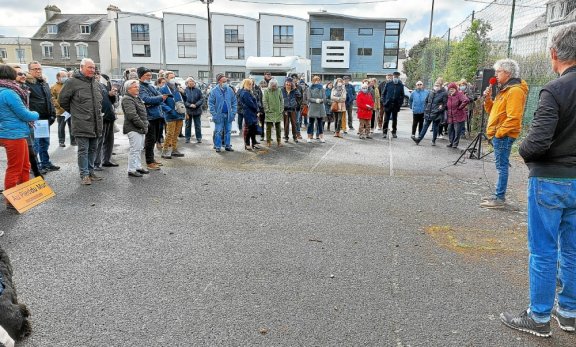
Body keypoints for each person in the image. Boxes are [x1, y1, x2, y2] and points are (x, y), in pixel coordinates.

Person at [500, 24, 576, 338]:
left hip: (550, 180)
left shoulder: (555, 90)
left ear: (554, 53)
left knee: (543, 250)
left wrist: (525, 152)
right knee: (572, 250)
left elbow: (536, 142)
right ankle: (569, 311)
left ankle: (539, 316)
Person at [480, 58, 528, 208]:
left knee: (502, 167)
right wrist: (487, 99)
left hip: (504, 135)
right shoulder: (505, 89)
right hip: (500, 134)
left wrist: (499, 133)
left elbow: (514, 118)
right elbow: (492, 110)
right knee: (501, 166)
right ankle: (498, 195)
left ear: (507, 73)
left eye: (498, 71)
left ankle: (499, 199)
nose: (495, 74)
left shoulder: (514, 91)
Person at [58, 58, 104, 185]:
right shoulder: (72, 82)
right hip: (81, 122)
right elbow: (62, 100)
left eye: (93, 68)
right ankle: (84, 174)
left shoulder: (94, 82)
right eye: (89, 67)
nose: (92, 70)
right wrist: (76, 112)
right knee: (83, 150)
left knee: (93, 149)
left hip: (96, 123)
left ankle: (90, 171)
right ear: (81, 67)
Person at [0, 65, 40, 210]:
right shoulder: (9, 93)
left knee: (25, 165)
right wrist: (36, 114)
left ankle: (24, 194)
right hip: (13, 134)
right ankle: (11, 201)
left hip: (9, 133)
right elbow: (24, 114)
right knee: (15, 168)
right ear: (11, 76)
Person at [26, 61, 59, 173]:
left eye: (39, 69)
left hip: (46, 119)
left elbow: (49, 100)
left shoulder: (44, 83)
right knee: (35, 144)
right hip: (35, 119)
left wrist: (53, 114)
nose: (38, 71)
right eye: (35, 69)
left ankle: (46, 163)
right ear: (29, 71)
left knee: (45, 142)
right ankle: (36, 166)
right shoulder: (27, 84)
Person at [11, 65, 42, 178]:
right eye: (19, 74)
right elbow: (21, 111)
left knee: (31, 150)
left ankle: (34, 173)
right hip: (16, 127)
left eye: (24, 73)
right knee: (20, 157)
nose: (23, 75)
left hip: (27, 124)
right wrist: (35, 115)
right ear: (11, 75)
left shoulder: (24, 87)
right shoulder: (10, 90)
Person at [138, 67, 167, 170]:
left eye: (150, 75)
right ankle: (149, 162)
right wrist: (159, 99)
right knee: (150, 140)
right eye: (147, 75)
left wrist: (157, 99)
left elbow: (160, 97)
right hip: (149, 117)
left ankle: (152, 159)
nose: (150, 77)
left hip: (157, 115)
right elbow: (145, 99)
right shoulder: (140, 87)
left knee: (154, 139)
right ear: (141, 76)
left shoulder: (150, 86)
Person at [121, 80, 149, 178]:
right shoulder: (127, 99)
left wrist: (144, 124)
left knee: (139, 148)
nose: (137, 88)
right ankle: (131, 169)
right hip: (133, 128)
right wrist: (143, 125)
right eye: (134, 87)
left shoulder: (136, 98)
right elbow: (132, 115)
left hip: (140, 128)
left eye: (137, 87)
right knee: (135, 149)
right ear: (128, 89)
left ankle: (138, 166)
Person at [94, 70, 119, 170]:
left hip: (109, 116)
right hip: (100, 117)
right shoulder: (91, 86)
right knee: (99, 141)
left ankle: (106, 160)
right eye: (95, 74)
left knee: (109, 140)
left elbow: (111, 101)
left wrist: (112, 95)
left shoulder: (103, 86)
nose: (97, 76)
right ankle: (96, 163)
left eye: (98, 74)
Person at [412, 78, 447, 146]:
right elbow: (426, 101)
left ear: (441, 85)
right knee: (425, 126)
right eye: (435, 85)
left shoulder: (444, 94)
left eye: (438, 85)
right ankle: (418, 139)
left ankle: (433, 140)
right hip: (429, 112)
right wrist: (426, 109)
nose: (436, 86)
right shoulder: (431, 92)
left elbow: (444, 105)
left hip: (436, 113)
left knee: (435, 127)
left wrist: (439, 109)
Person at [159, 71, 186, 159]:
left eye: (174, 77)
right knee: (170, 133)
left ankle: (174, 149)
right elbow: (161, 102)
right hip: (170, 115)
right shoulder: (163, 89)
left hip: (180, 113)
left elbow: (184, 100)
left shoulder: (177, 88)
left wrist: (183, 93)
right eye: (171, 77)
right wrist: (169, 110)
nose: (173, 79)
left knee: (176, 133)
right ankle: (165, 151)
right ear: (166, 78)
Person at [208, 73, 237, 152]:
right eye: (223, 81)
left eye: (226, 81)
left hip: (228, 115)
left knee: (228, 131)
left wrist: (233, 112)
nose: (225, 82)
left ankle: (227, 145)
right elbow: (210, 104)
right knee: (218, 131)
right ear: (219, 81)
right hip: (219, 115)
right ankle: (218, 146)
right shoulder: (214, 91)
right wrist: (214, 114)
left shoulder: (230, 90)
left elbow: (234, 102)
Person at [51, 70, 75, 147]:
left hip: (70, 111)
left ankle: (73, 141)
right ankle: (61, 141)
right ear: (58, 77)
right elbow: (53, 99)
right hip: (61, 111)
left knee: (72, 126)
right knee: (61, 127)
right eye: (63, 76)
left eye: (66, 76)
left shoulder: (69, 85)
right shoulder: (54, 87)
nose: (65, 78)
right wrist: (59, 106)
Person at [445, 82, 469, 149]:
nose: (451, 90)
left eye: (452, 88)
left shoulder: (459, 94)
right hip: (451, 116)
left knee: (457, 131)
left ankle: (455, 144)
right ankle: (451, 142)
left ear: (455, 88)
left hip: (459, 116)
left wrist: (460, 107)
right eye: (450, 89)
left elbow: (466, 100)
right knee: (450, 129)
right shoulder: (449, 95)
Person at [237, 79, 260, 150]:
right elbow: (251, 103)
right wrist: (257, 109)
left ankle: (253, 143)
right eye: (249, 84)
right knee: (250, 129)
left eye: (251, 84)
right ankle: (247, 144)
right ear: (246, 84)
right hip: (249, 112)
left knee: (252, 128)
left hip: (251, 112)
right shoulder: (245, 92)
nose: (251, 85)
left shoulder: (248, 92)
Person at [381, 71, 405, 139]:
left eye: (397, 77)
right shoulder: (388, 84)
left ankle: (394, 132)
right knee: (386, 119)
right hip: (388, 104)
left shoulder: (400, 85)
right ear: (393, 77)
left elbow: (402, 96)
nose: (395, 78)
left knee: (395, 119)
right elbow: (383, 94)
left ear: (398, 77)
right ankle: (384, 132)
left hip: (396, 105)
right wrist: (384, 102)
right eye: (395, 77)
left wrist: (399, 104)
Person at [263, 79, 283, 147]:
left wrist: (281, 109)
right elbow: (264, 101)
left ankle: (279, 141)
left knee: (278, 128)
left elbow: (281, 100)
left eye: (275, 86)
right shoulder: (266, 91)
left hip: (278, 112)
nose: (274, 87)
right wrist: (267, 109)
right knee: (268, 128)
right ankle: (268, 141)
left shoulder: (279, 90)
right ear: (270, 85)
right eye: (273, 86)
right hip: (269, 112)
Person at [306, 76, 326, 143]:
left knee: (320, 123)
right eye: (315, 80)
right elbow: (309, 98)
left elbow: (324, 98)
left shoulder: (322, 88)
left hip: (320, 107)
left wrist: (321, 100)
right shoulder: (309, 88)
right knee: (310, 123)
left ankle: (321, 137)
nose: (317, 81)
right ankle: (309, 137)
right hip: (312, 107)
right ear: (313, 81)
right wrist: (316, 100)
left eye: (318, 80)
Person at [183, 77, 204, 144]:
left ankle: (199, 138)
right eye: (190, 81)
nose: (191, 82)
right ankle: (187, 138)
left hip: (197, 110)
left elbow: (201, 99)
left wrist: (196, 104)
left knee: (198, 125)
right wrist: (189, 105)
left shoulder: (198, 90)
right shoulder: (184, 90)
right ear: (187, 83)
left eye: (192, 81)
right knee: (188, 125)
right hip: (188, 111)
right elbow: (183, 100)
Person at [281, 77, 300, 143]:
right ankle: (286, 137)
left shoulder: (294, 90)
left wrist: (295, 88)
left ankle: (295, 137)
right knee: (286, 124)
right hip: (285, 109)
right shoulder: (282, 90)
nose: (288, 84)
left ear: (291, 84)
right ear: (285, 83)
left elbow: (299, 95)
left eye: (289, 83)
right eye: (287, 83)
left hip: (292, 109)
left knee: (294, 124)